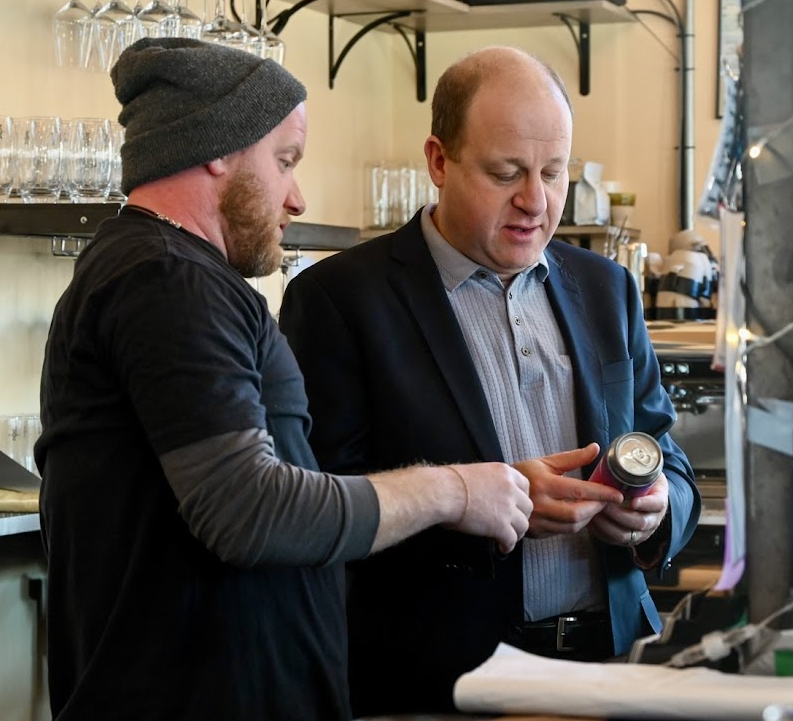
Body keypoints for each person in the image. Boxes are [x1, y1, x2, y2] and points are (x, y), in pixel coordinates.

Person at [34, 37, 535, 721]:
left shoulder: (172, 274)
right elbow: (248, 510)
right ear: (218, 146)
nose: (296, 195)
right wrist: (450, 489)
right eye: (284, 160)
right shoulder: (165, 279)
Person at [279, 46, 701, 716]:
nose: (535, 201)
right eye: (505, 173)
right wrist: (477, 507)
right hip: (439, 682)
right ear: (439, 161)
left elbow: (663, 453)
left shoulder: (606, 288)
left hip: (610, 666)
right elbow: (319, 509)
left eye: (553, 172)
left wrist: (654, 510)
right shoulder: (340, 300)